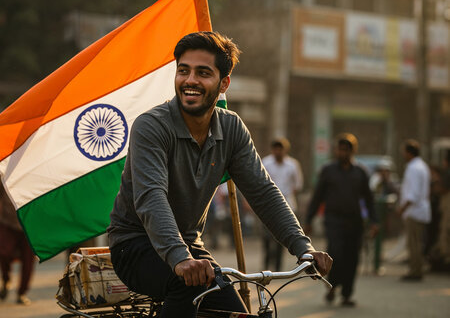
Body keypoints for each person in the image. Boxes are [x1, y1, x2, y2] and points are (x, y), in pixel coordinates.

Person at [107, 31, 332, 317]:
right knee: (186, 285)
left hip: (190, 245)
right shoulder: (151, 126)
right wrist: (179, 258)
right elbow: (152, 197)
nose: (190, 80)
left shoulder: (232, 128)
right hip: (135, 245)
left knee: (233, 312)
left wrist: (303, 248)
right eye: (183, 71)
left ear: (224, 83)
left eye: (203, 73)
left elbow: (263, 191)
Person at [305, 133, 377, 307]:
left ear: (352, 151)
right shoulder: (328, 170)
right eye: (340, 149)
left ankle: (346, 294)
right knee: (335, 253)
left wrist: (375, 221)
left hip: (354, 221)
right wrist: (308, 220)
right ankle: (332, 286)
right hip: (333, 220)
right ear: (336, 150)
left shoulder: (360, 172)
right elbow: (317, 197)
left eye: (346, 150)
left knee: (352, 257)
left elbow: (369, 199)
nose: (343, 152)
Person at [0, 174, 35, 305]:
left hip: (29, 224)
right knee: (3, 253)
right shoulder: (5, 168)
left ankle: (22, 293)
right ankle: (6, 279)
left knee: (28, 261)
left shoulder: (36, 167)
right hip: (7, 220)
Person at [261, 137, 303, 271]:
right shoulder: (265, 162)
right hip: (268, 204)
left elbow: (298, 184)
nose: (278, 152)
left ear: (285, 150)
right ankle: (267, 263)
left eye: (281, 149)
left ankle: (278, 267)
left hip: (287, 204)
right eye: (276, 149)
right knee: (267, 237)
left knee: (282, 236)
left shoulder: (292, 164)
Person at [397, 139, 431, 281]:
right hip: (419, 210)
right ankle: (416, 269)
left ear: (409, 153)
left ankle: (415, 271)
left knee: (414, 244)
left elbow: (414, 194)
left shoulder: (414, 168)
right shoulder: (421, 166)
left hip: (414, 211)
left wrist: (402, 208)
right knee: (416, 242)